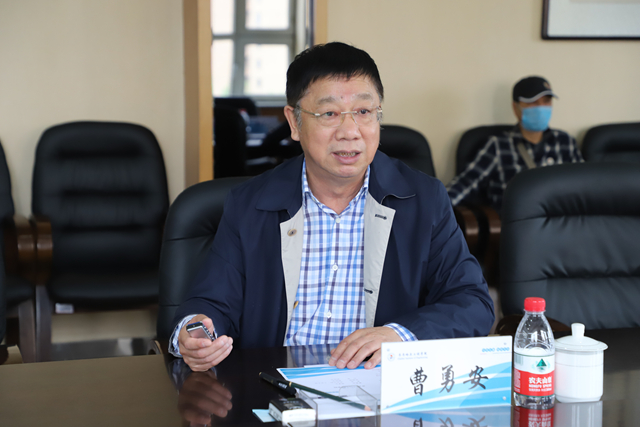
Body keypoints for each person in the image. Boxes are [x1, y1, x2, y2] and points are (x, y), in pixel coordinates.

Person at [170, 42, 494, 372]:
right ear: (294, 122)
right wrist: (196, 332)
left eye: (364, 112)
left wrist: (399, 335)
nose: (350, 132)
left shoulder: (423, 200)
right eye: (329, 114)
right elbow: (211, 302)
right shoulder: (250, 203)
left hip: (379, 385)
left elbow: (472, 303)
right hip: (275, 386)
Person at [447, 76, 583, 213]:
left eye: (546, 101)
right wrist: (437, 207)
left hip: (562, 220)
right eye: (533, 102)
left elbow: (584, 186)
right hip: (517, 222)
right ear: (515, 107)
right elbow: (465, 184)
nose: (541, 107)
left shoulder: (565, 142)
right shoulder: (498, 146)